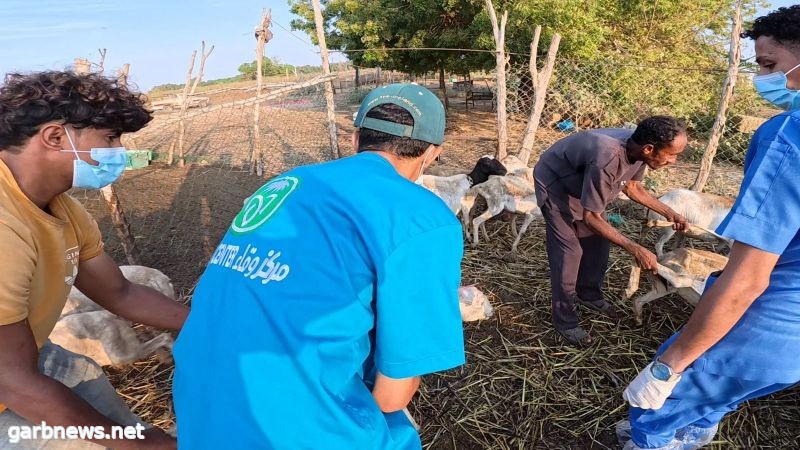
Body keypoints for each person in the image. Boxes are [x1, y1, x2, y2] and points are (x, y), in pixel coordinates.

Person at [172, 83, 465, 449]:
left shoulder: (285, 183)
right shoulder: (421, 216)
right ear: (432, 153)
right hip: (285, 426)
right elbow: (392, 396)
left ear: (356, 139)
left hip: (197, 402)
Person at [620, 5, 800, 449]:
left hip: (775, 318)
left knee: (656, 403)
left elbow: (747, 278)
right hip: (790, 349)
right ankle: (692, 431)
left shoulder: (787, 138)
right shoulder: (606, 154)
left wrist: (670, 366)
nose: (763, 79)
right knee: (722, 393)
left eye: (769, 66)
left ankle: (659, 436)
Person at [0, 71, 188, 449]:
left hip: (27, 358)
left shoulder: (63, 209)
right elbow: (12, 381)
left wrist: (208, 326)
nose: (118, 152)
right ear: (55, 137)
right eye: (110, 138)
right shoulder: (4, 226)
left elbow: (119, 292)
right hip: (11, 380)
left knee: (91, 386)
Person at [533, 117, 688, 345]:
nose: (674, 161)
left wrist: (668, 211)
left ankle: (589, 295)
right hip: (555, 184)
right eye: (672, 154)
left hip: (582, 185)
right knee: (570, 253)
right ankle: (565, 321)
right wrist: (635, 249)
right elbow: (591, 217)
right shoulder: (608, 158)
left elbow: (633, 187)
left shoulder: (638, 151)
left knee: (597, 244)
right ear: (649, 149)